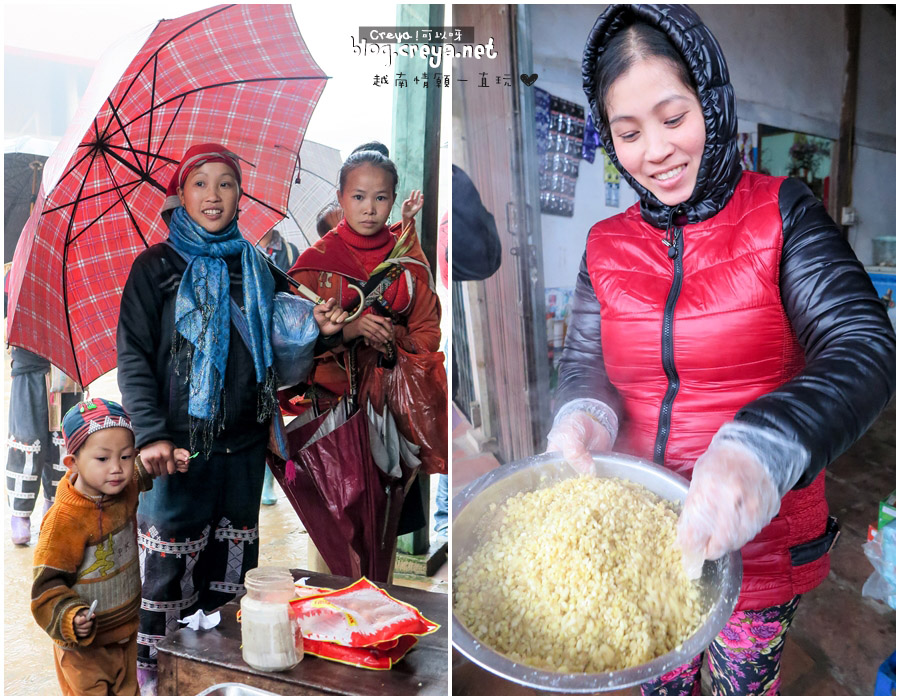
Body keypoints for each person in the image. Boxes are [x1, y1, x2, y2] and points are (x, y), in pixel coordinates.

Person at [547, 5, 895, 695]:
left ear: (712, 101)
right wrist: (582, 412)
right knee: (658, 678)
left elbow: (862, 343)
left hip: (757, 546)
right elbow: (585, 360)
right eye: (629, 132)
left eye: (674, 118)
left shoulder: (783, 213)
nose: (656, 151)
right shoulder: (604, 245)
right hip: (644, 536)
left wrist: (762, 447)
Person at [116, 143, 347, 694]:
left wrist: (317, 325)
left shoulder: (256, 263)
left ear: (241, 194)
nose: (214, 195)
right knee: (169, 565)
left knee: (233, 565)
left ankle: (218, 674)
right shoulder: (155, 269)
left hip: (243, 444)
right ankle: (158, 674)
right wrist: (149, 435)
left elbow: (282, 348)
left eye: (226, 183)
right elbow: (133, 358)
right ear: (180, 195)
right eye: (200, 183)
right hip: (175, 449)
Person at [287, 142, 442, 568]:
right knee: (333, 541)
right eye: (358, 197)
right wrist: (346, 333)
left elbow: (428, 330)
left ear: (393, 200)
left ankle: (378, 617)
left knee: (381, 532)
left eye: (380, 198)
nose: (369, 208)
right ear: (340, 199)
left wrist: (395, 339)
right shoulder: (312, 266)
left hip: (388, 416)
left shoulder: (407, 261)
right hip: (329, 417)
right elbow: (287, 353)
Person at [31, 398, 187, 696]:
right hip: (84, 652)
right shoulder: (63, 522)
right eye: (102, 459)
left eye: (125, 456)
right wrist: (71, 619)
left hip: (127, 634)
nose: (117, 469)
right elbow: (45, 590)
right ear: (72, 463)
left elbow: (141, 471)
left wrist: (168, 460)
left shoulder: (122, 489)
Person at [7, 349, 81, 544]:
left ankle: (55, 505)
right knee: (27, 439)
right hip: (29, 365)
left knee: (63, 440)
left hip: (67, 367)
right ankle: (20, 512)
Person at [255, 227, 301, 507]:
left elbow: (292, 295)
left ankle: (270, 479)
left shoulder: (290, 251)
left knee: (272, 418)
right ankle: (264, 479)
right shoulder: (246, 250)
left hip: (280, 345)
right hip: (255, 344)